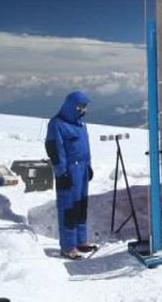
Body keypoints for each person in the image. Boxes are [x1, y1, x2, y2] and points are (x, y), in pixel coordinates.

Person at [44, 91, 97, 260]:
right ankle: (68, 247)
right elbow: (54, 150)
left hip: (81, 169)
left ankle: (81, 241)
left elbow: (85, 148)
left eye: (85, 106)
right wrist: (61, 172)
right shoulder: (57, 124)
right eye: (80, 106)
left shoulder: (81, 124)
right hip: (68, 171)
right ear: (71, 105)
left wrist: (88, 165)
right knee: (68, 208)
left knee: (81, 206)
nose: (83, 109)